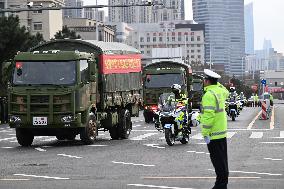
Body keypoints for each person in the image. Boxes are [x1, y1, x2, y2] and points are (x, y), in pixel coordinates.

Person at [200, 69, 229, 189]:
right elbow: (226, 91)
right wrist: (217, 82)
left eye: (204, 80)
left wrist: (205, 133)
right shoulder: (219, 91)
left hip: (213, 134)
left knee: (217, 162)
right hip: (222, 133)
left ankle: (220, 186)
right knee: (222, 162)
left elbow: (209, 116)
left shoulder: (208, 95)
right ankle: (222, 185)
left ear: (207, 81)